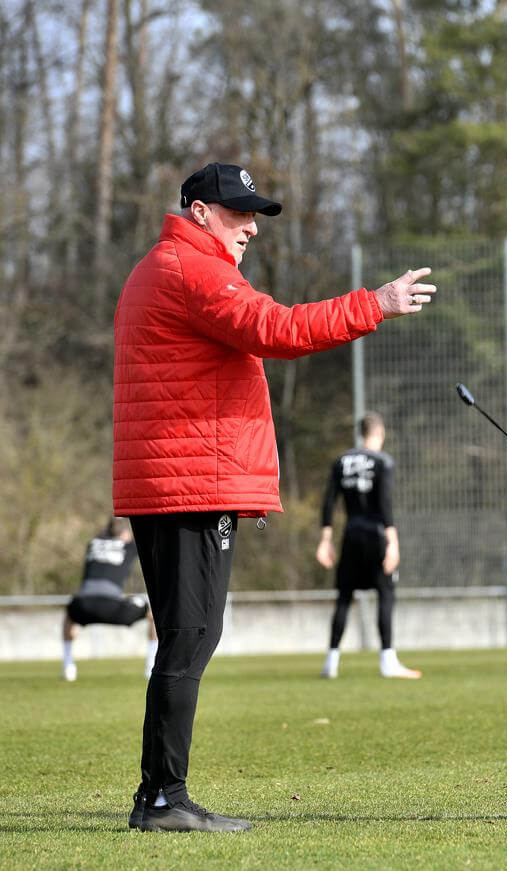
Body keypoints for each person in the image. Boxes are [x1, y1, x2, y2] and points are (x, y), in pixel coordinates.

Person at [113, 162, 436, 833]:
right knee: (192, 636)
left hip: (172, 478)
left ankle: (158, 795)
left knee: (184, 636)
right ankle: (164, 797)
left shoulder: (164, 265)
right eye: (239, 212)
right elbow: (278, 330)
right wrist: (373, 303)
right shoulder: (192, 270)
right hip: (189, 481)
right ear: (201, 211)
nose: (252, 226)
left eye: (255, 213)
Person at [316, 411, 420, 679]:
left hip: (350, 535)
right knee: (386, 594)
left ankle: (331, 661)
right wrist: (393, 542)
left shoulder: (341, 461)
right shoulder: (382, 462)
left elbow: (329, 501)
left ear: (360, 434)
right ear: (380, 434)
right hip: (376, 535)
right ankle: (388, 660)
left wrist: (325, 540)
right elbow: (385, 503)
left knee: (344, 597)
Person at [62, 517, 157, 682]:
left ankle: (68, 666)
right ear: (125, 533)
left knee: (69, 615)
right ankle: (151, 667)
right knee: (153, 614)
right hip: (112, 607)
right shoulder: (129, 546)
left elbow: (103, 539)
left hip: (84, 605)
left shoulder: (92, 544)